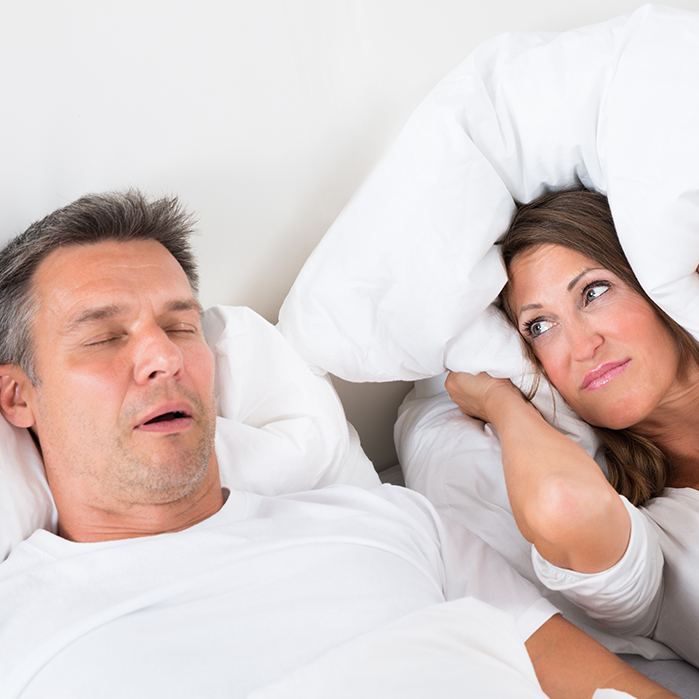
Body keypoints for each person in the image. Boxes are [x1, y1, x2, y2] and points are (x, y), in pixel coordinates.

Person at [0, 191, 674, 698]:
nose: (161, 358)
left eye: (180, 328)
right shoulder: (17, 626)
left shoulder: (392, 523)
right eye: (104, 336)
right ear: (18, 397)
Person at [446, 189, 699, 666]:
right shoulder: (653, 545)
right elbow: (561, 503)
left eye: (595, 292)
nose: (583, 346)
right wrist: (502, 402)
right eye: (540, 326)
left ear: (655, 285)